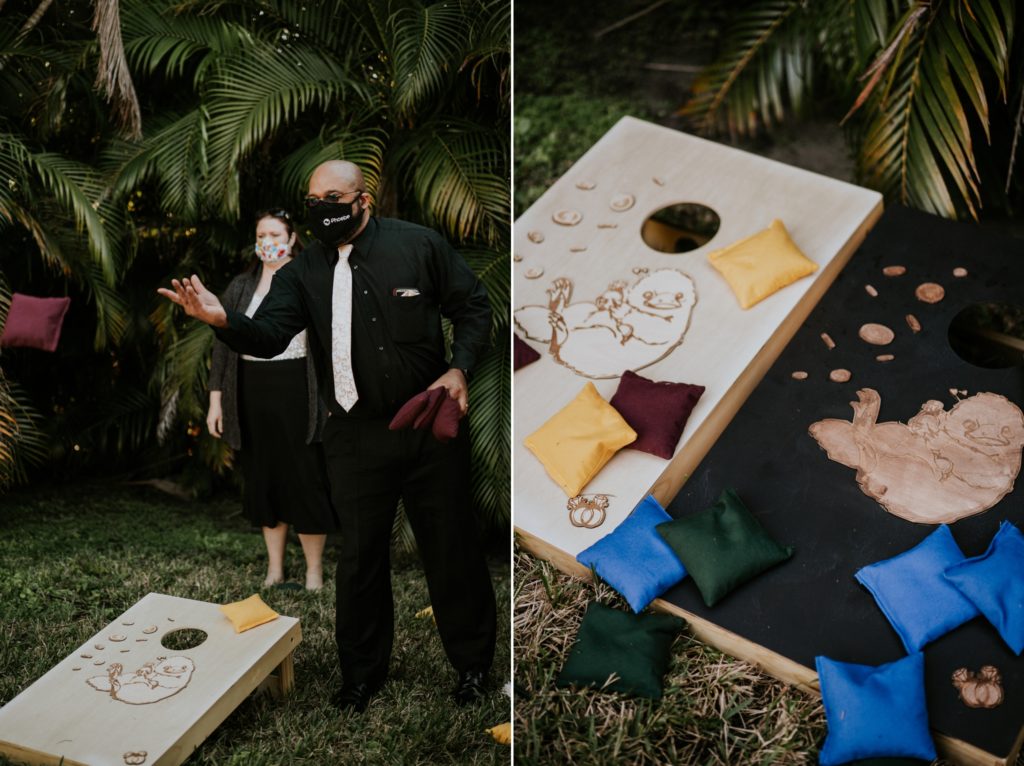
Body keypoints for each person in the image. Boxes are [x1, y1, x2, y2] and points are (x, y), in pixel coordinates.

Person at [158, 161, 498, 712]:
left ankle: (474, 668)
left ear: (363, 199)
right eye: (314, 199)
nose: (323, 208)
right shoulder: (303, 271)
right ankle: (361, 676)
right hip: (355, 436)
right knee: (360, 558)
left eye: (333, 196)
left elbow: (473, 306)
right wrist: (224, 321)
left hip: (426, 428)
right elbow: (268, 337)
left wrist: (459, 367)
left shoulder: (418, 246)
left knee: (451, 549)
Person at [206, 208, 337, 591]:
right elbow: (222, 346)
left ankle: (313, 571)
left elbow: (331, 342)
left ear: (292, 238)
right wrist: (216, 399)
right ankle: (275, 569)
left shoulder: (311, 279)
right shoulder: (241, 285)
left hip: (298, 387)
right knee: (264, 477)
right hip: (251, 390)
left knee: (306, 477)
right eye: (261, 234)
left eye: (275, 234)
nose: (267, 241)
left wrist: (331, 395)